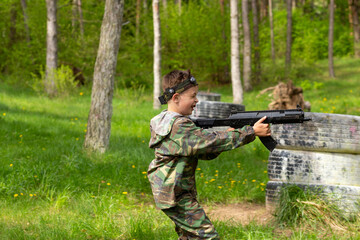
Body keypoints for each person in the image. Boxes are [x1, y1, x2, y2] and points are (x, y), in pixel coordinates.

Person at [147, 70, 271, 240]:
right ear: (176, 98)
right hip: (174, 194)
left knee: (190, 236)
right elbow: (209, 143)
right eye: (193, 96)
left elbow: (205, 151)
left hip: (174, 190)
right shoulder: (178, 126)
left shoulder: (167, 121)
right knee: (208, 236)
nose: (196, 100)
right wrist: (251, 132)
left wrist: (227, 133)